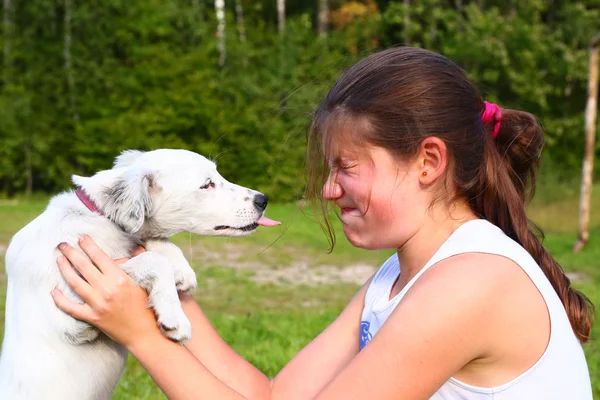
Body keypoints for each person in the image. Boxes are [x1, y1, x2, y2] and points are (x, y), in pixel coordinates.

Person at [52, 47, 594, 399]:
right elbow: (273, 396)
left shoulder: (471, 281)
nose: (330, 190)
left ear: (429, 163)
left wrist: (143, 336)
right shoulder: (398, 277)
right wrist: (164, 288)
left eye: (346, 168)